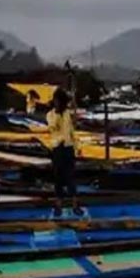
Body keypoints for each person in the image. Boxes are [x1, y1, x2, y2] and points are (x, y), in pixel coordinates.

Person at [47, 88, 82, 216]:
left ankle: (75, 204)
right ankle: (58, 205)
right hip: (57, 149)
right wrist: (57, 114)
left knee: (70, 177)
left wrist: (77, 147)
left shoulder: (67, 114)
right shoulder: (50, 115)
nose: (57, 103)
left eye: (59, 101)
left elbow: (72, 132)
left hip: (68, 148)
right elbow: (52, 127)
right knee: (58, 178)